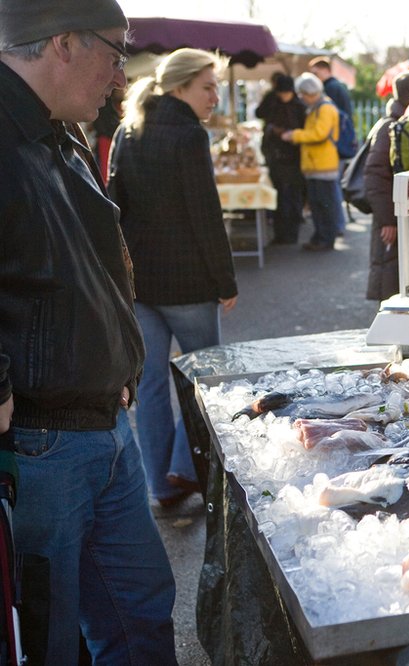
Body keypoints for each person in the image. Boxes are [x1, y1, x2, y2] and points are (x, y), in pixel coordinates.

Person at [0, 0, 178, 663]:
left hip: (104, 425)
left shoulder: (57, 128)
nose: (121, 76)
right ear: (64, 44)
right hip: (41, 444)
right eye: (116, 51)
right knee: (46, 634)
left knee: (139, 611)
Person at [108, 47, 239, 508]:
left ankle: (160, 486)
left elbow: (113, 206)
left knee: (151, 388)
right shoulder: (188, 134)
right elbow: (206, 215)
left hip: (140, 282)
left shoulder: (130, 126)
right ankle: (184, 465)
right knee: (208, 378)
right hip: (188, 283)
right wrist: (226, 281)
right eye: (208, 86)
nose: (215, 97)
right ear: (181, 85)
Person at [364, 68, 409, 300]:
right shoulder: (391, 126)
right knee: (391, 270)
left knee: (397, 269)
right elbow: (375, 175)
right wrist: (387, 219)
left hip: (397, 212)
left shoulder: (399, 122)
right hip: (392, 215)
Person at [282, 72, 346, 251]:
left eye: (303, 94)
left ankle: (326, 238)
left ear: (310, 93)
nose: (301, 98)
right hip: (315, 165)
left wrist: (294, 135)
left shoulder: (324, 108)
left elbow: (319, 134)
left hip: (323, 165)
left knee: (324, 204)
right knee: (318, 205)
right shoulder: (317, 108)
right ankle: (320, 237)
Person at [256, 73, 306, 244]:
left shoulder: (299, 106)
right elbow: (259, 113)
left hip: (294, 156)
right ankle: (280, 234)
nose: (284, 96)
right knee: (278, 194)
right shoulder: (272, 102)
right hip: (275, 155)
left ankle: (292, 233)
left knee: (292, 195)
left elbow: (303, 128)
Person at [308, 56, 353, 120]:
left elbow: (329, 112)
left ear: (325, 70)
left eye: (315, 73)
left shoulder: (331, 87)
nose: (314, 77)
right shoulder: (335, 84)